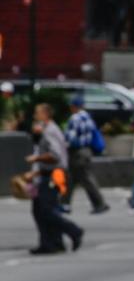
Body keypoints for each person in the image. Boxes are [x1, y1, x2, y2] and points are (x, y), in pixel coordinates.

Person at [25, 103, 84, 255]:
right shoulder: (45, 130)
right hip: (47, 173)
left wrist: (36, 158)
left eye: (38, 113)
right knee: (39, 209)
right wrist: (36, 173)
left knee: (46, 209)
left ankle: (74, 231)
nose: (35, 116)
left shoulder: (50, 131)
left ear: (46, 114)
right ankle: (51, 243)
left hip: (55, 174)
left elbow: (55, 155)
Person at [62, 95, 110, 215]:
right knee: (72, 178)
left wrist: (63, 144)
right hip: (87, 150)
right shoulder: (87, 117)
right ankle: (64, 204)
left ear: (73, 106)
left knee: (84, 178)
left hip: (77, 151)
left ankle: (99, 203)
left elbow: (70, 138)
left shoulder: (75, 118)